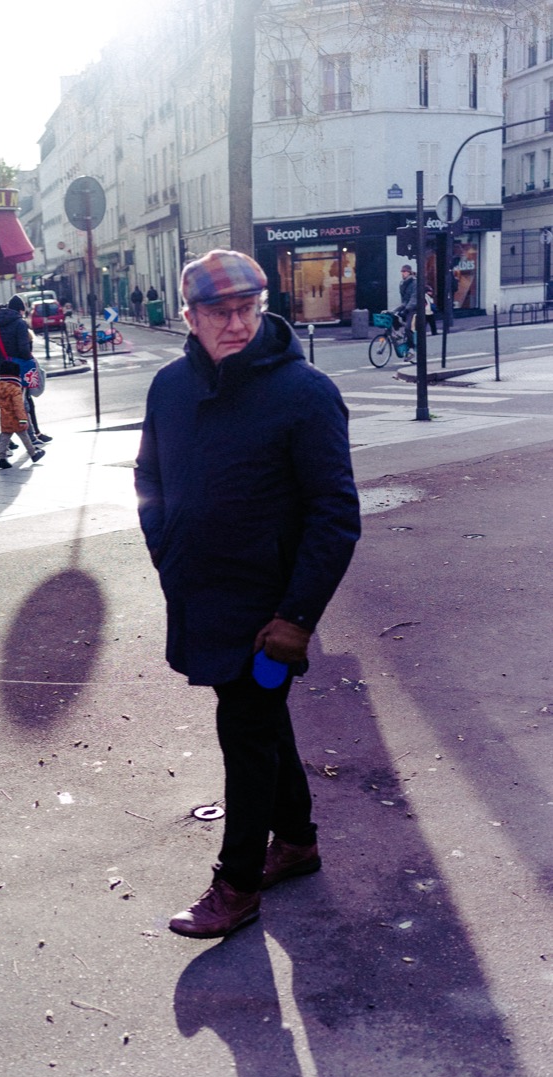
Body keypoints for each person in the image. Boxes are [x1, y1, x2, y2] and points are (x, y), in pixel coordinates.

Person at [135, 249, 360, 939]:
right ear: (190, 317)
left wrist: (295, 618)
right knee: (260, 726)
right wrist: (166, 556)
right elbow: (149, 480)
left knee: (244, 731)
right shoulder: (169, 389)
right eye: (217, 313)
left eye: (246, 310)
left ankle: (235, 886)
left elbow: (334, 514)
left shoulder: (305, 392)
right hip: (200, 595)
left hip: (268, 613)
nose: (234, 324)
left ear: (262, 307)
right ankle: (294, 842)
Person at [0, 295, 52, 444]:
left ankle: (20, 437)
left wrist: (2, 364)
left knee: (11, 405)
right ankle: (24, 439)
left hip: (4, 369)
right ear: (20, 309)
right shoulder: (20, 324)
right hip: (19, 370)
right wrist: (29, 361)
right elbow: (23, 349)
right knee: (23, 403)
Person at [0, 360, 45, 470]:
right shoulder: (15, 389)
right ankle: (33, 454)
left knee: (4, 438)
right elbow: (18, 406)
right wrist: (23, 419)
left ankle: (2, 458)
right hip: (16, 418)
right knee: (25, 437)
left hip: (4, 417)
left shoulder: (0, 387)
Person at [397, 264, 418, 357]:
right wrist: (395, 310)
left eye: (404, 271)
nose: (403, 273)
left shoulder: (414, 283)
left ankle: (411, 348)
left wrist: (407, 308)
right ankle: (402, 340)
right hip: (406, 307)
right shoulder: (402, 283)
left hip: (414, 309)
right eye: (402, 271)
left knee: (408, 328)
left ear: (409, 272)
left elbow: (414, 298)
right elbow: (404, 300)